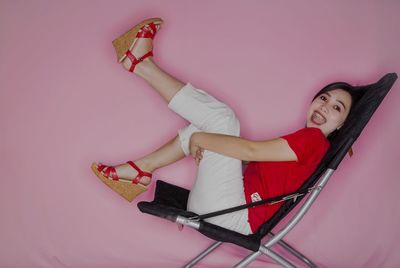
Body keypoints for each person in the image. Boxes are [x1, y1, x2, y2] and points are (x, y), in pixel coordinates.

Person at [91, 18, 357, 235]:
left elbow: (250, 152)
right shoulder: (310, 145)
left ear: (342, 124)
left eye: (337, 107)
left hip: (229, 214)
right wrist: (205, 143)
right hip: (227, 209)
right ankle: (139, 171)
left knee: (223, 119)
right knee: (206, 128)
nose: (325, 106)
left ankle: (139, 63)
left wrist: (203, 141)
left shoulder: (313, 140)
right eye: (324, 98)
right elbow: (249, 162)